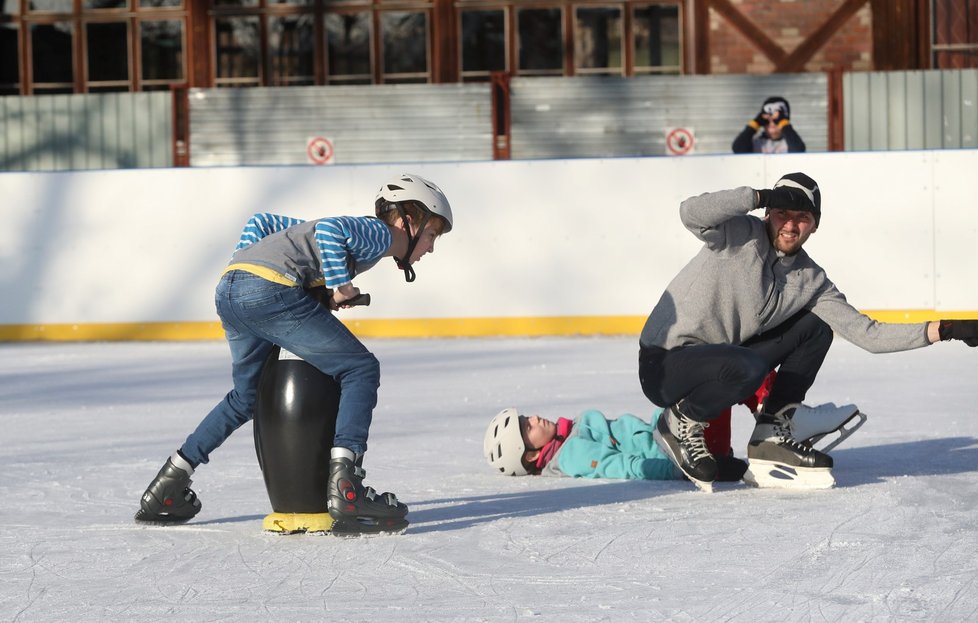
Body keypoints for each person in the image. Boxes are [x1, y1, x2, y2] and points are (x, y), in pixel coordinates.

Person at [135, 173, 454, 532]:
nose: (430, 247)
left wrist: (245, 265)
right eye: (431, 235)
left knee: (246, 396)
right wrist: (341, 286)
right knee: (361, 369)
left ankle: (170, 481)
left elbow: (262, 222)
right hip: (272, 290)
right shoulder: (379, 234)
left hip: (231, 286)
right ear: (408, 220)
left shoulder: (342, 237)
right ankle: (347, 487)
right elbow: (330, 231)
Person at [637, 172, 978, 492]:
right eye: (782, 213)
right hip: (666, 363)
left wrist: (944, 329)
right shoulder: (736, 235)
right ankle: (680, 421)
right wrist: (756, 196)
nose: (790, 224)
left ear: (815, 224)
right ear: (768, 214)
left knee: (816, 328)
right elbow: (690, 213)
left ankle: (772, 430)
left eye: (802, 217)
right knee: (747, 366)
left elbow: (867, 334)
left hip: (725, 365)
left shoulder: (810, 279)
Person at [483, 407, 748, 483]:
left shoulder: (570, 435)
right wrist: (681, 469)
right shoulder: (572, 454)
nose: (534, 419)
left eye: (525, 418)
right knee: (713, 378)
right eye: (527, 427)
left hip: (672, 434)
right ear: (530, 457)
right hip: (678, 449)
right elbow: (624, 466)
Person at [732, 96, 806, 154]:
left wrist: (784, 124)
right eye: (768, 119)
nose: (772, 122)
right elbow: (738, 150)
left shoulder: (790, 143)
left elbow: (798, 152)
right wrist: (755, 123)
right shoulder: (756, 143)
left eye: (777, 120)